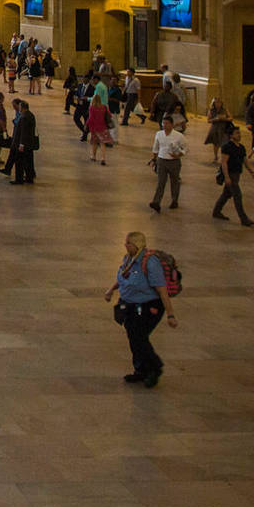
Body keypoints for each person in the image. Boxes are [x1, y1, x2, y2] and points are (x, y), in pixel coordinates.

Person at [105, 232, 177, 387]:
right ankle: (141, 370)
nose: (126, 245)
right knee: (133, 337)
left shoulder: (150, 262)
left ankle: (155, 367)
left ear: (137, 244)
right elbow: (123, 277)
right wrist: (111, 290)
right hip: (130, 305)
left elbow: (162, 291)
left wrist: (170, 315)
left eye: (129, 243)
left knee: (139, 337)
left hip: (148, 306)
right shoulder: (128, 259)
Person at [212, 123, 254, 226]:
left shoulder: (241, 147)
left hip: (237, 174)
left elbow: (245, 161)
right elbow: (224, 162)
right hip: (231, 175)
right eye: (237, 133)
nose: (239, 135)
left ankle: (216, 211)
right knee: (237, 195)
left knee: (226, 194)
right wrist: (227, 177)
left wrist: (251, 172)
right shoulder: (227, 147)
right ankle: (244, 219)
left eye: (239, 133)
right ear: (231, 135)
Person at [149, 117, 187, 212]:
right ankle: (156, 202)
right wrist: (154, 158)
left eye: (167, 123)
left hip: (174, 161)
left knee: (174, 181)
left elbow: (185, 148)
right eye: (163, 123)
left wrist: (178, 155)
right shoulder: (159, 134)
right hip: (162, 160)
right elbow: (155, 147)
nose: (165, 126)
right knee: (160, 182)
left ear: (172, 124)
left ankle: (174, 200)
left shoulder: (178, 136)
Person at [4, 99, 37, 184]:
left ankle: (19, 179)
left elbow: (23, 132)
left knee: (19, 162)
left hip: (22, 144)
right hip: (29, 143)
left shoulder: (24, 117)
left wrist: (21, 144)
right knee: (29, 161)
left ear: (22, 107)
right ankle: (29, 178)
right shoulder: (30, 115)